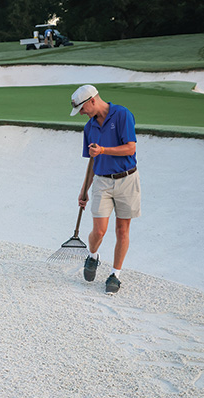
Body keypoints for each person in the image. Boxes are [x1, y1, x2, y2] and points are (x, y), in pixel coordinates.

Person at [69, 84, 140, 294]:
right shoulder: (89, 128)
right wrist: (83, 191)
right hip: (101, 181)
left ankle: (115, 275)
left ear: (92, 100)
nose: (81, 113)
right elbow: (91, 163)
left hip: (127, 179)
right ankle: (93, 255)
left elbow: (131, 147)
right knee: (99, 230)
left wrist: (103, 150)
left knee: (122, 230)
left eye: (82, 108)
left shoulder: (122, 115)